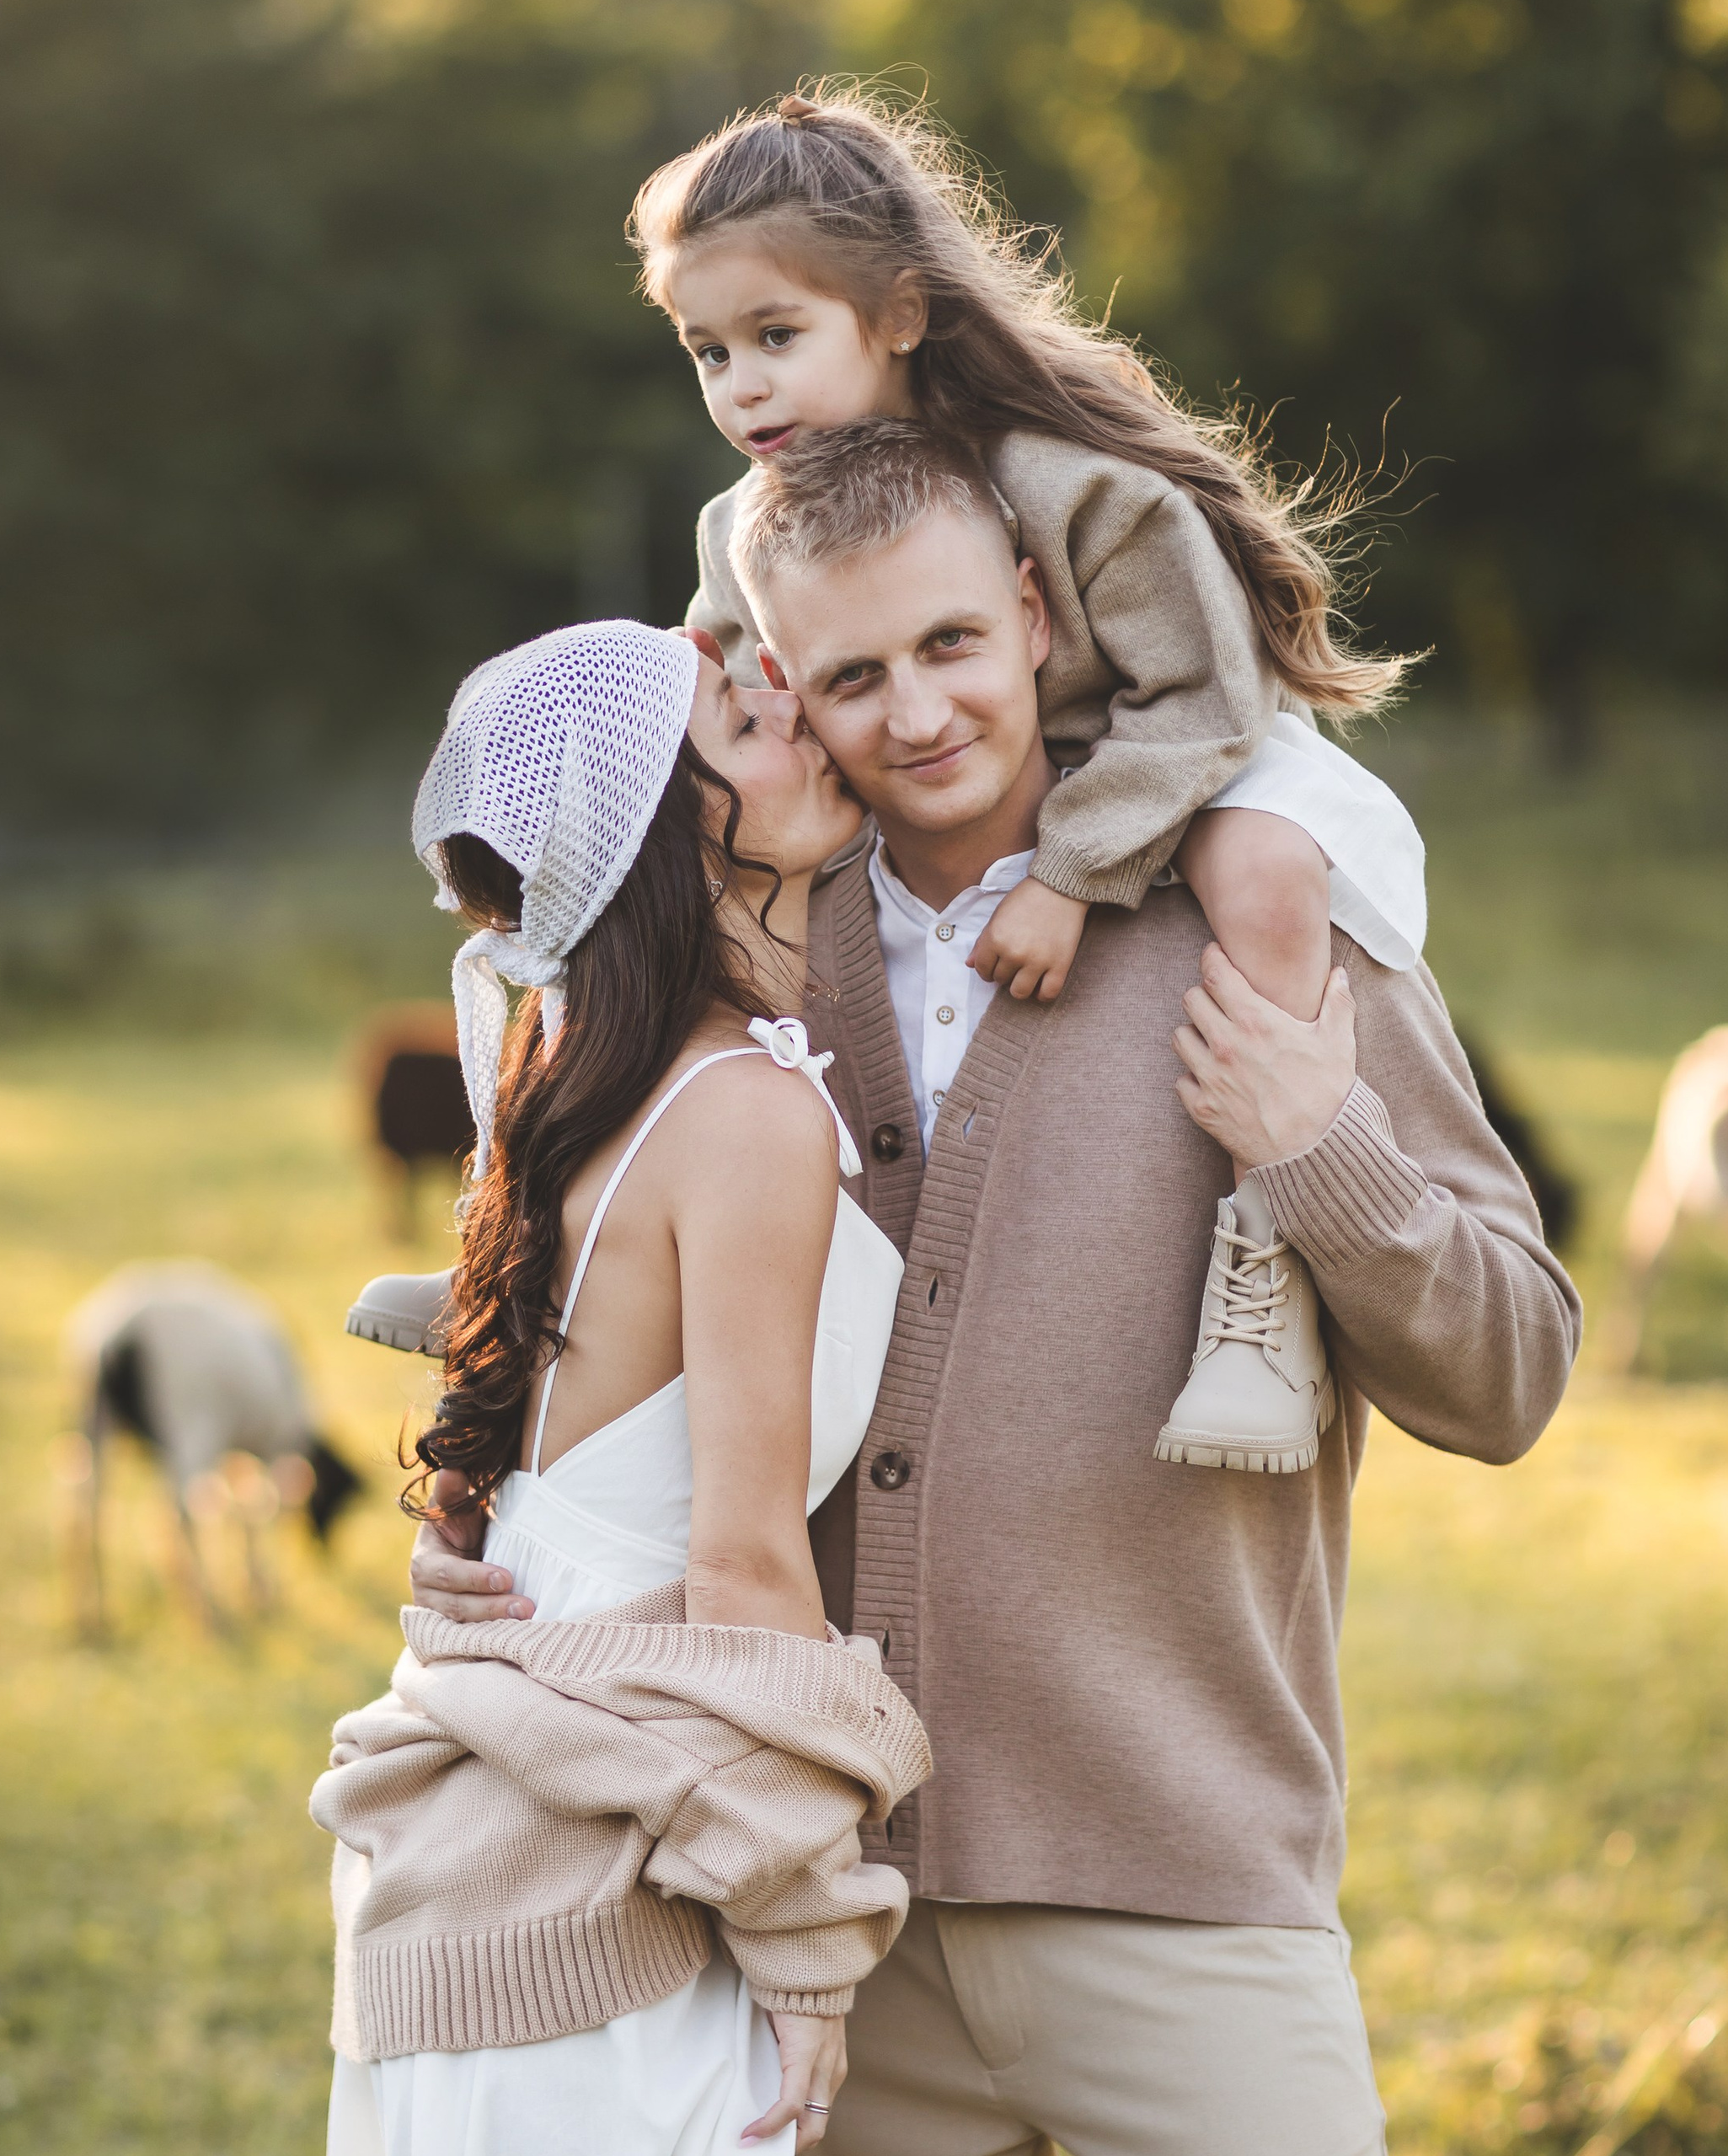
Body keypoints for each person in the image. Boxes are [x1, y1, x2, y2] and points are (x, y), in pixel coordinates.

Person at [415, 422, 1582, 2155]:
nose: (917, 714)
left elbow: (1510, 1375)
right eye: (851, 676)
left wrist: (1316, 1145)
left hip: (1184, 1903)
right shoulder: (738, 959)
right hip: (813, 1945)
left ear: (1034, 617)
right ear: (784, 690)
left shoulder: (1267, 928)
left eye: (952, 642)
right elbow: (590, 1305)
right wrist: (486, 1536)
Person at [351, 85, 1428, 1475]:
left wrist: (1071, 871)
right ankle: (536, 1238)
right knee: (651, 903)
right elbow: (709, 725)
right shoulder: (742, 529)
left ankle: (1262, 1286)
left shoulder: (1079, 487)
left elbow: (1209, 692)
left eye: (776, 337)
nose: (742, 387)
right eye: (708, 352)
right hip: (929, 802)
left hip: (1167, 758)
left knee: (1269, 867)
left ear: (900, 315)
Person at [315, 618, 931, 2156]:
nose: (794, 715)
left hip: (511, 1813)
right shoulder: (742, 1111)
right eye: (741, 717)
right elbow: (741, 1565)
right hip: (615, 1839)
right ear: (670, 825)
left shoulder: (577, 1063)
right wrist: (807, 1933)